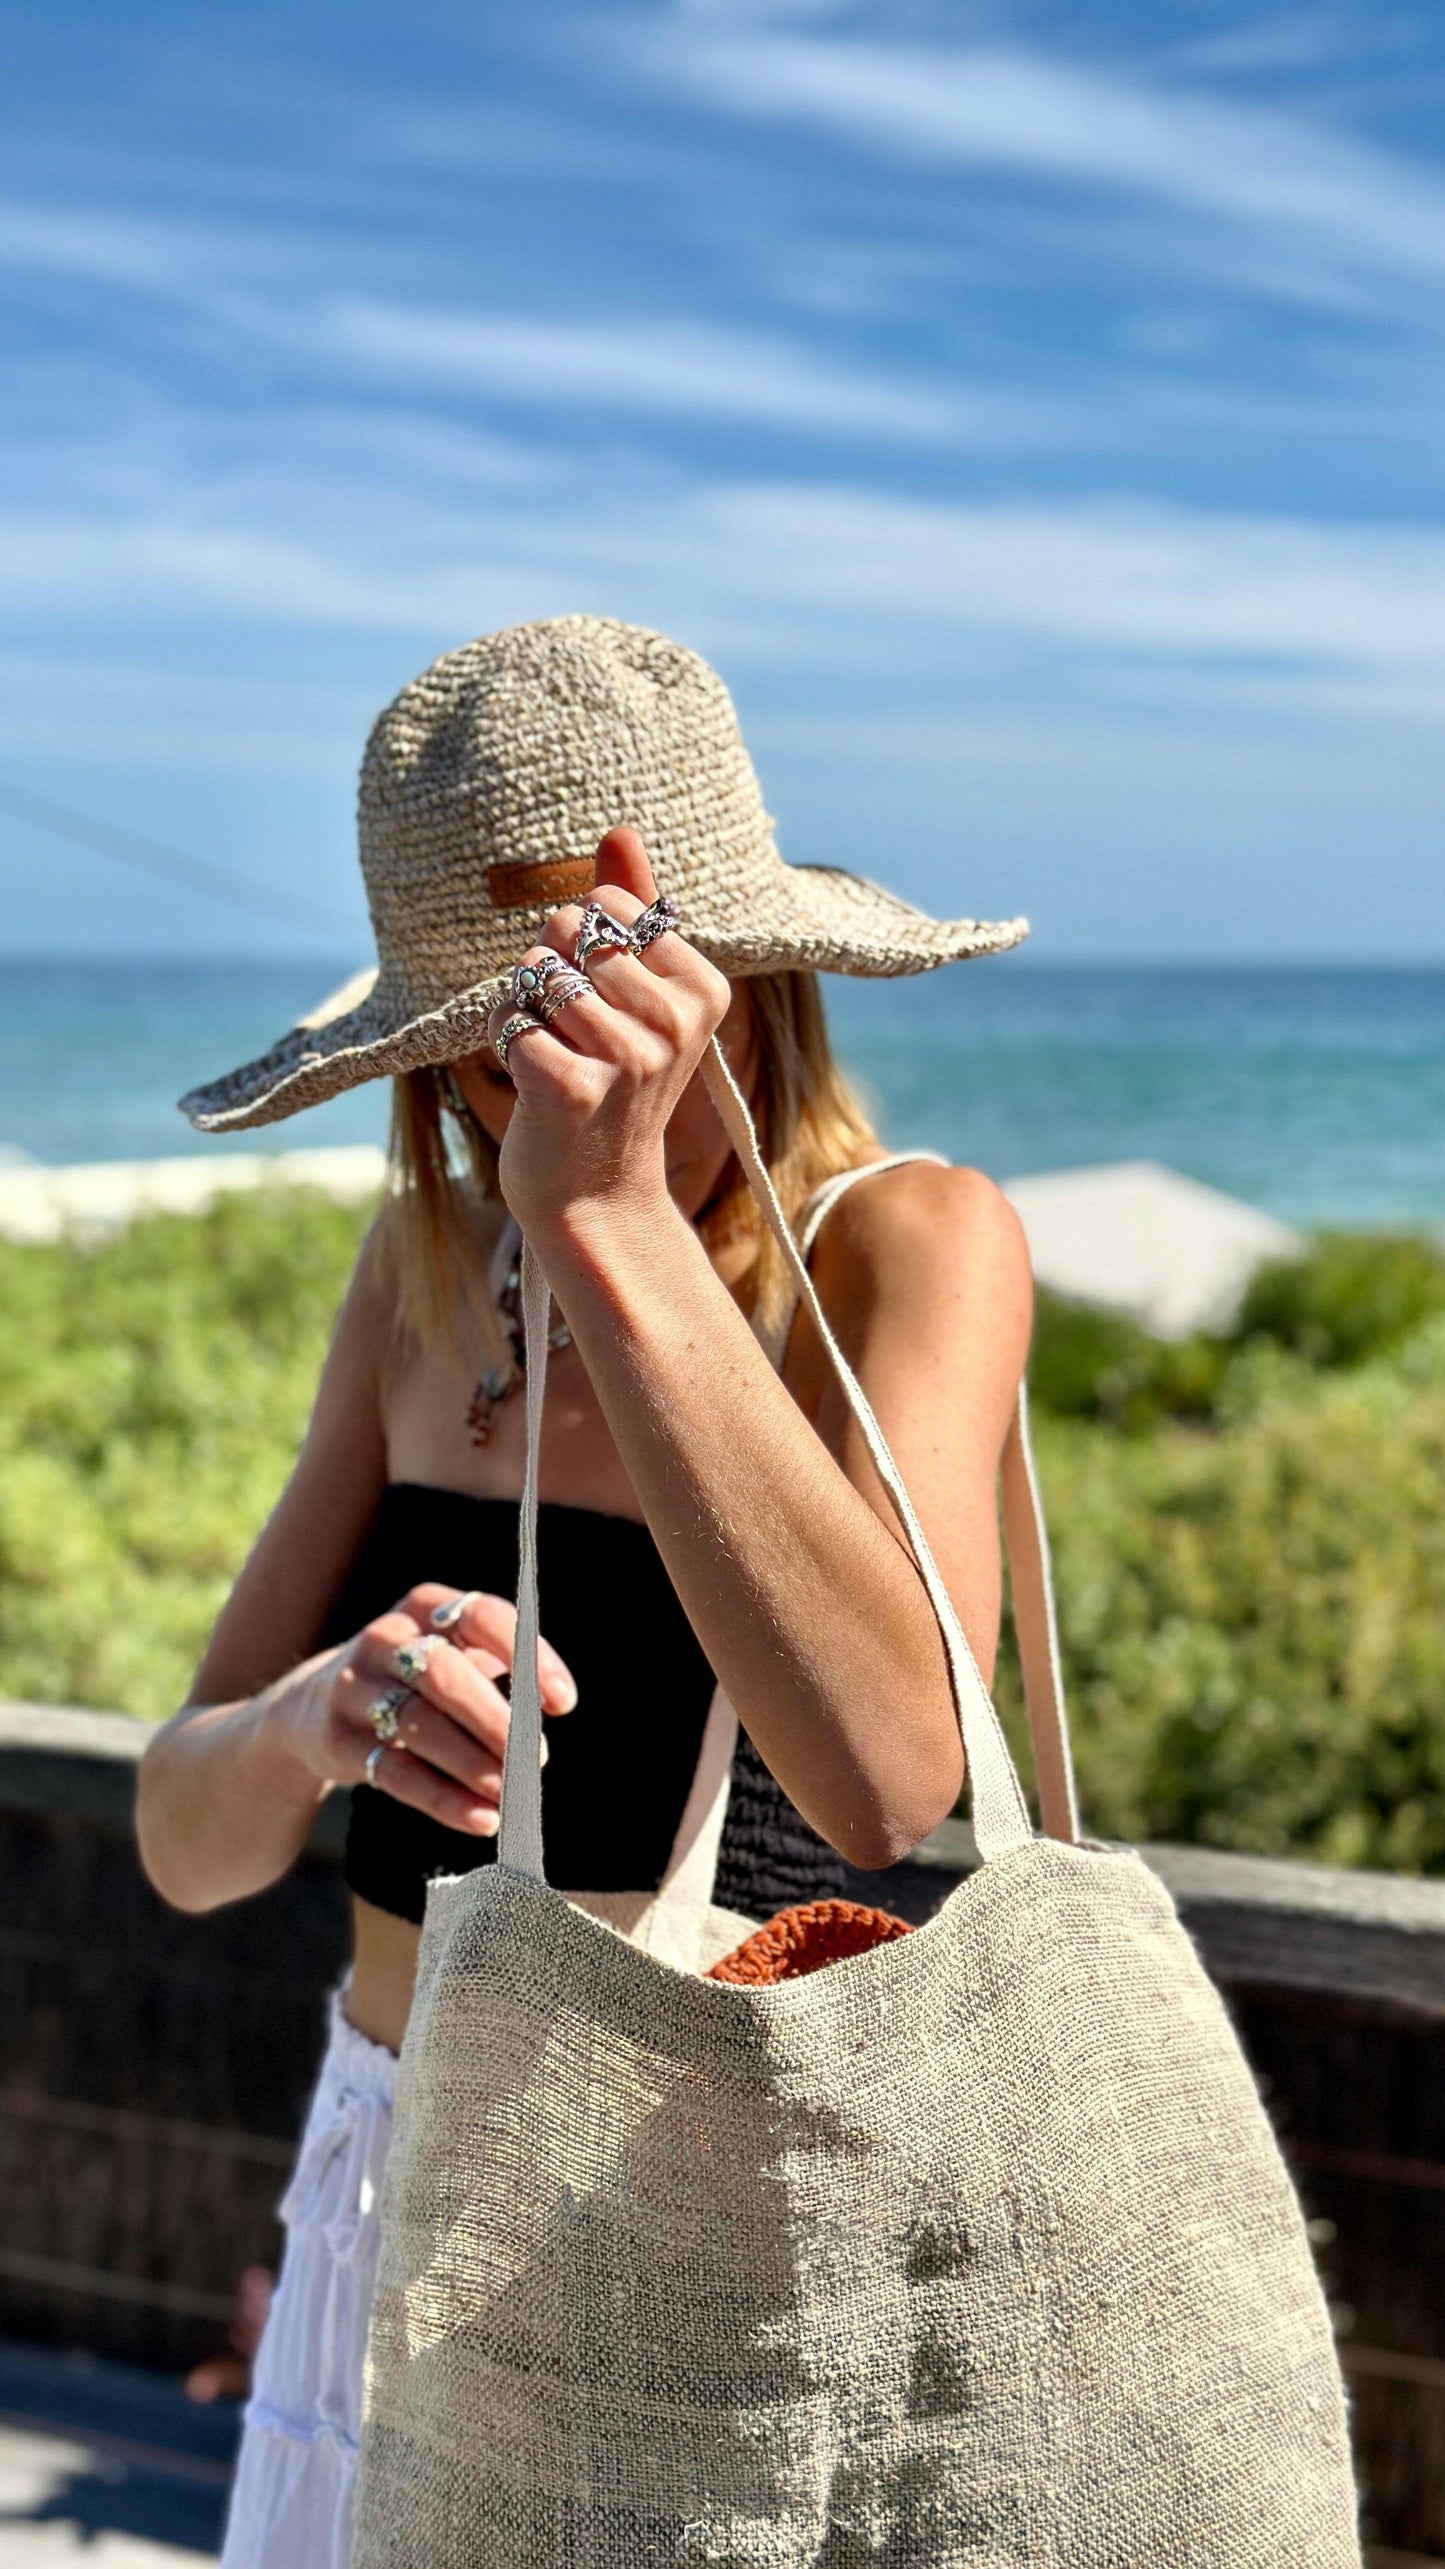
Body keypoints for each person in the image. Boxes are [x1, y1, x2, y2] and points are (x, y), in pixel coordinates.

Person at [135, 615, 1034, 2568]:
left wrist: (616, 1220)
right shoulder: (427, 1268)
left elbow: (895, 1777)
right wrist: (325, 1711)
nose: (497, 1096)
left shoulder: (903, 1249)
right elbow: (181, 1836)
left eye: (550, 1026)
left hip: (682, 2226)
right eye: (463, 1047)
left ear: (731, 973)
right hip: (374, 2189)